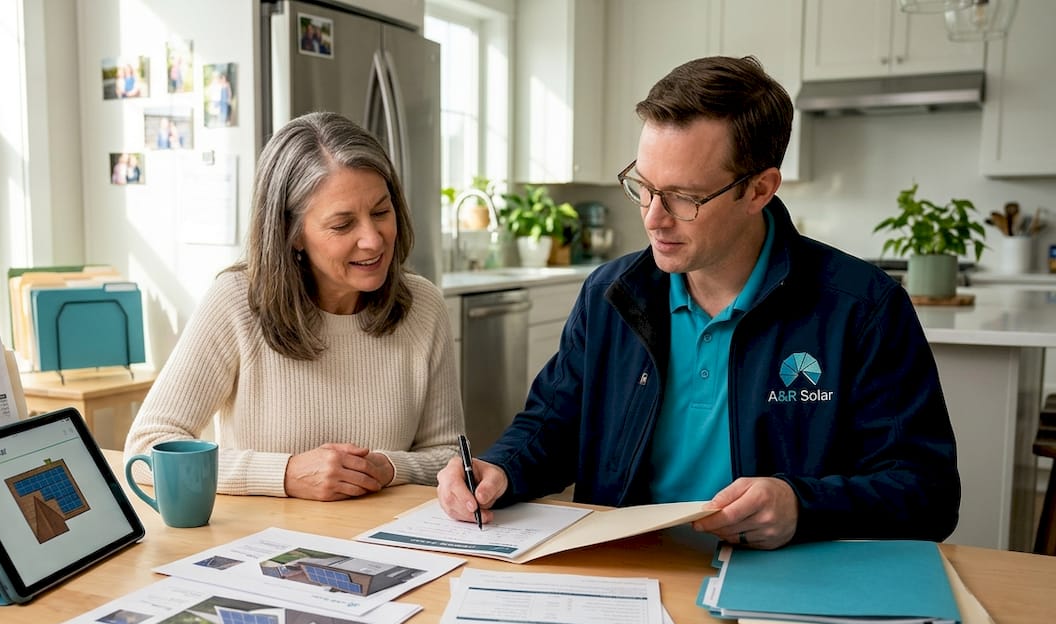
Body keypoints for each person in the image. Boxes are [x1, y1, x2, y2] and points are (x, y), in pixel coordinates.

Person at [436, 56, 960, 548]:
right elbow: (553, 424)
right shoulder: (611, 294)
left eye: (684, 197)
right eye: (644, 186)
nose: (653, 217)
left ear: (759, 190)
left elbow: (927, 493)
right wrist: (500, 466)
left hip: (775, 582)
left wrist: (803, 505)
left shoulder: (863, 307)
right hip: (626, 570)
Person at [126, 111, 463, 501]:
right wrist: (285, 473)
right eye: (342, 224)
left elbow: (449, 456)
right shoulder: (237, 301)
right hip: (262, 548)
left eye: (381, 212)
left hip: (387, 546)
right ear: (293, 235)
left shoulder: (423, 305)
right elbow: (147, 446)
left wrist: (387, 468)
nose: (373, 239)